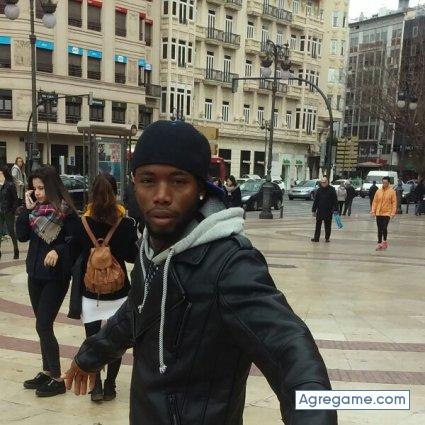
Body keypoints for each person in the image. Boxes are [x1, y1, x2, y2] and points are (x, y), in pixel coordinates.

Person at [64, 121, 336, 425]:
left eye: (178, 181)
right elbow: (137, 312)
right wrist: (90, 356)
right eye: (148, 180)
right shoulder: (149, 248)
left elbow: (289, 348)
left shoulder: (230, 264)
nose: (161, 195)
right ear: (134, 184)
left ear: (201, 190)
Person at [70, 174, 138, 402]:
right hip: (119, 293)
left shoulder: (82, 223)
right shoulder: (126, 224)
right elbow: (131, 256)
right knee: (116, 339)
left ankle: (96, 386)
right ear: (116, 193)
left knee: (93, 339)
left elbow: (74, 253)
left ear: (92, 194)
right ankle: (110, 386)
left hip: (91, 294)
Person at [16, 166, 79, 397]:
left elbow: (76, 243)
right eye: (35, 188)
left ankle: (57, 378)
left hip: (55, 277)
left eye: (41, 188)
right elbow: (22, 235)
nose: (37, 192)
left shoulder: (66, 212)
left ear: (51, 187)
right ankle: (46, 371)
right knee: (42, 326)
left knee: (43, 325)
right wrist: (26, 210)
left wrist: (58, 250)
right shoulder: (33, 212)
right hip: (35, 274)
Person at [371, 176, 397, 251]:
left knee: (384, 227)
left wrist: (393, 213)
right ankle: (379, 243)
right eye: (383, 182)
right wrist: (373, 211)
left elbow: (394, 203)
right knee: (379, 229)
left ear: (388, 183)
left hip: (387, 213)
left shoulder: (392, 191)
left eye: (386, 182)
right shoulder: (378, 191)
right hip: (378, 213)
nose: (384, 184)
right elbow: (375, 202)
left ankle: (384, 241)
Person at [0, 165, 19, 259]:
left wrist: (12, 210)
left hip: (8, 211)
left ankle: (16, 250)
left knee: (11, 232)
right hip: (0, 212)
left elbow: (16, 200)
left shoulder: (10, 185)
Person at [311, 176, 338, 243]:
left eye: (324, 182)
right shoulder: (319, 190)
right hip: (320, 210)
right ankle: (316, 238)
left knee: (328, 225)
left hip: (328, 210)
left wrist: (336, 209)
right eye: (322, 182)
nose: (323, 183)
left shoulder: (332, 189)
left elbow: (335, 200)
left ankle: (327, 238)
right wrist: (313, 210)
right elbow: (316, 201)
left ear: (327, 182)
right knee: (318, 225)